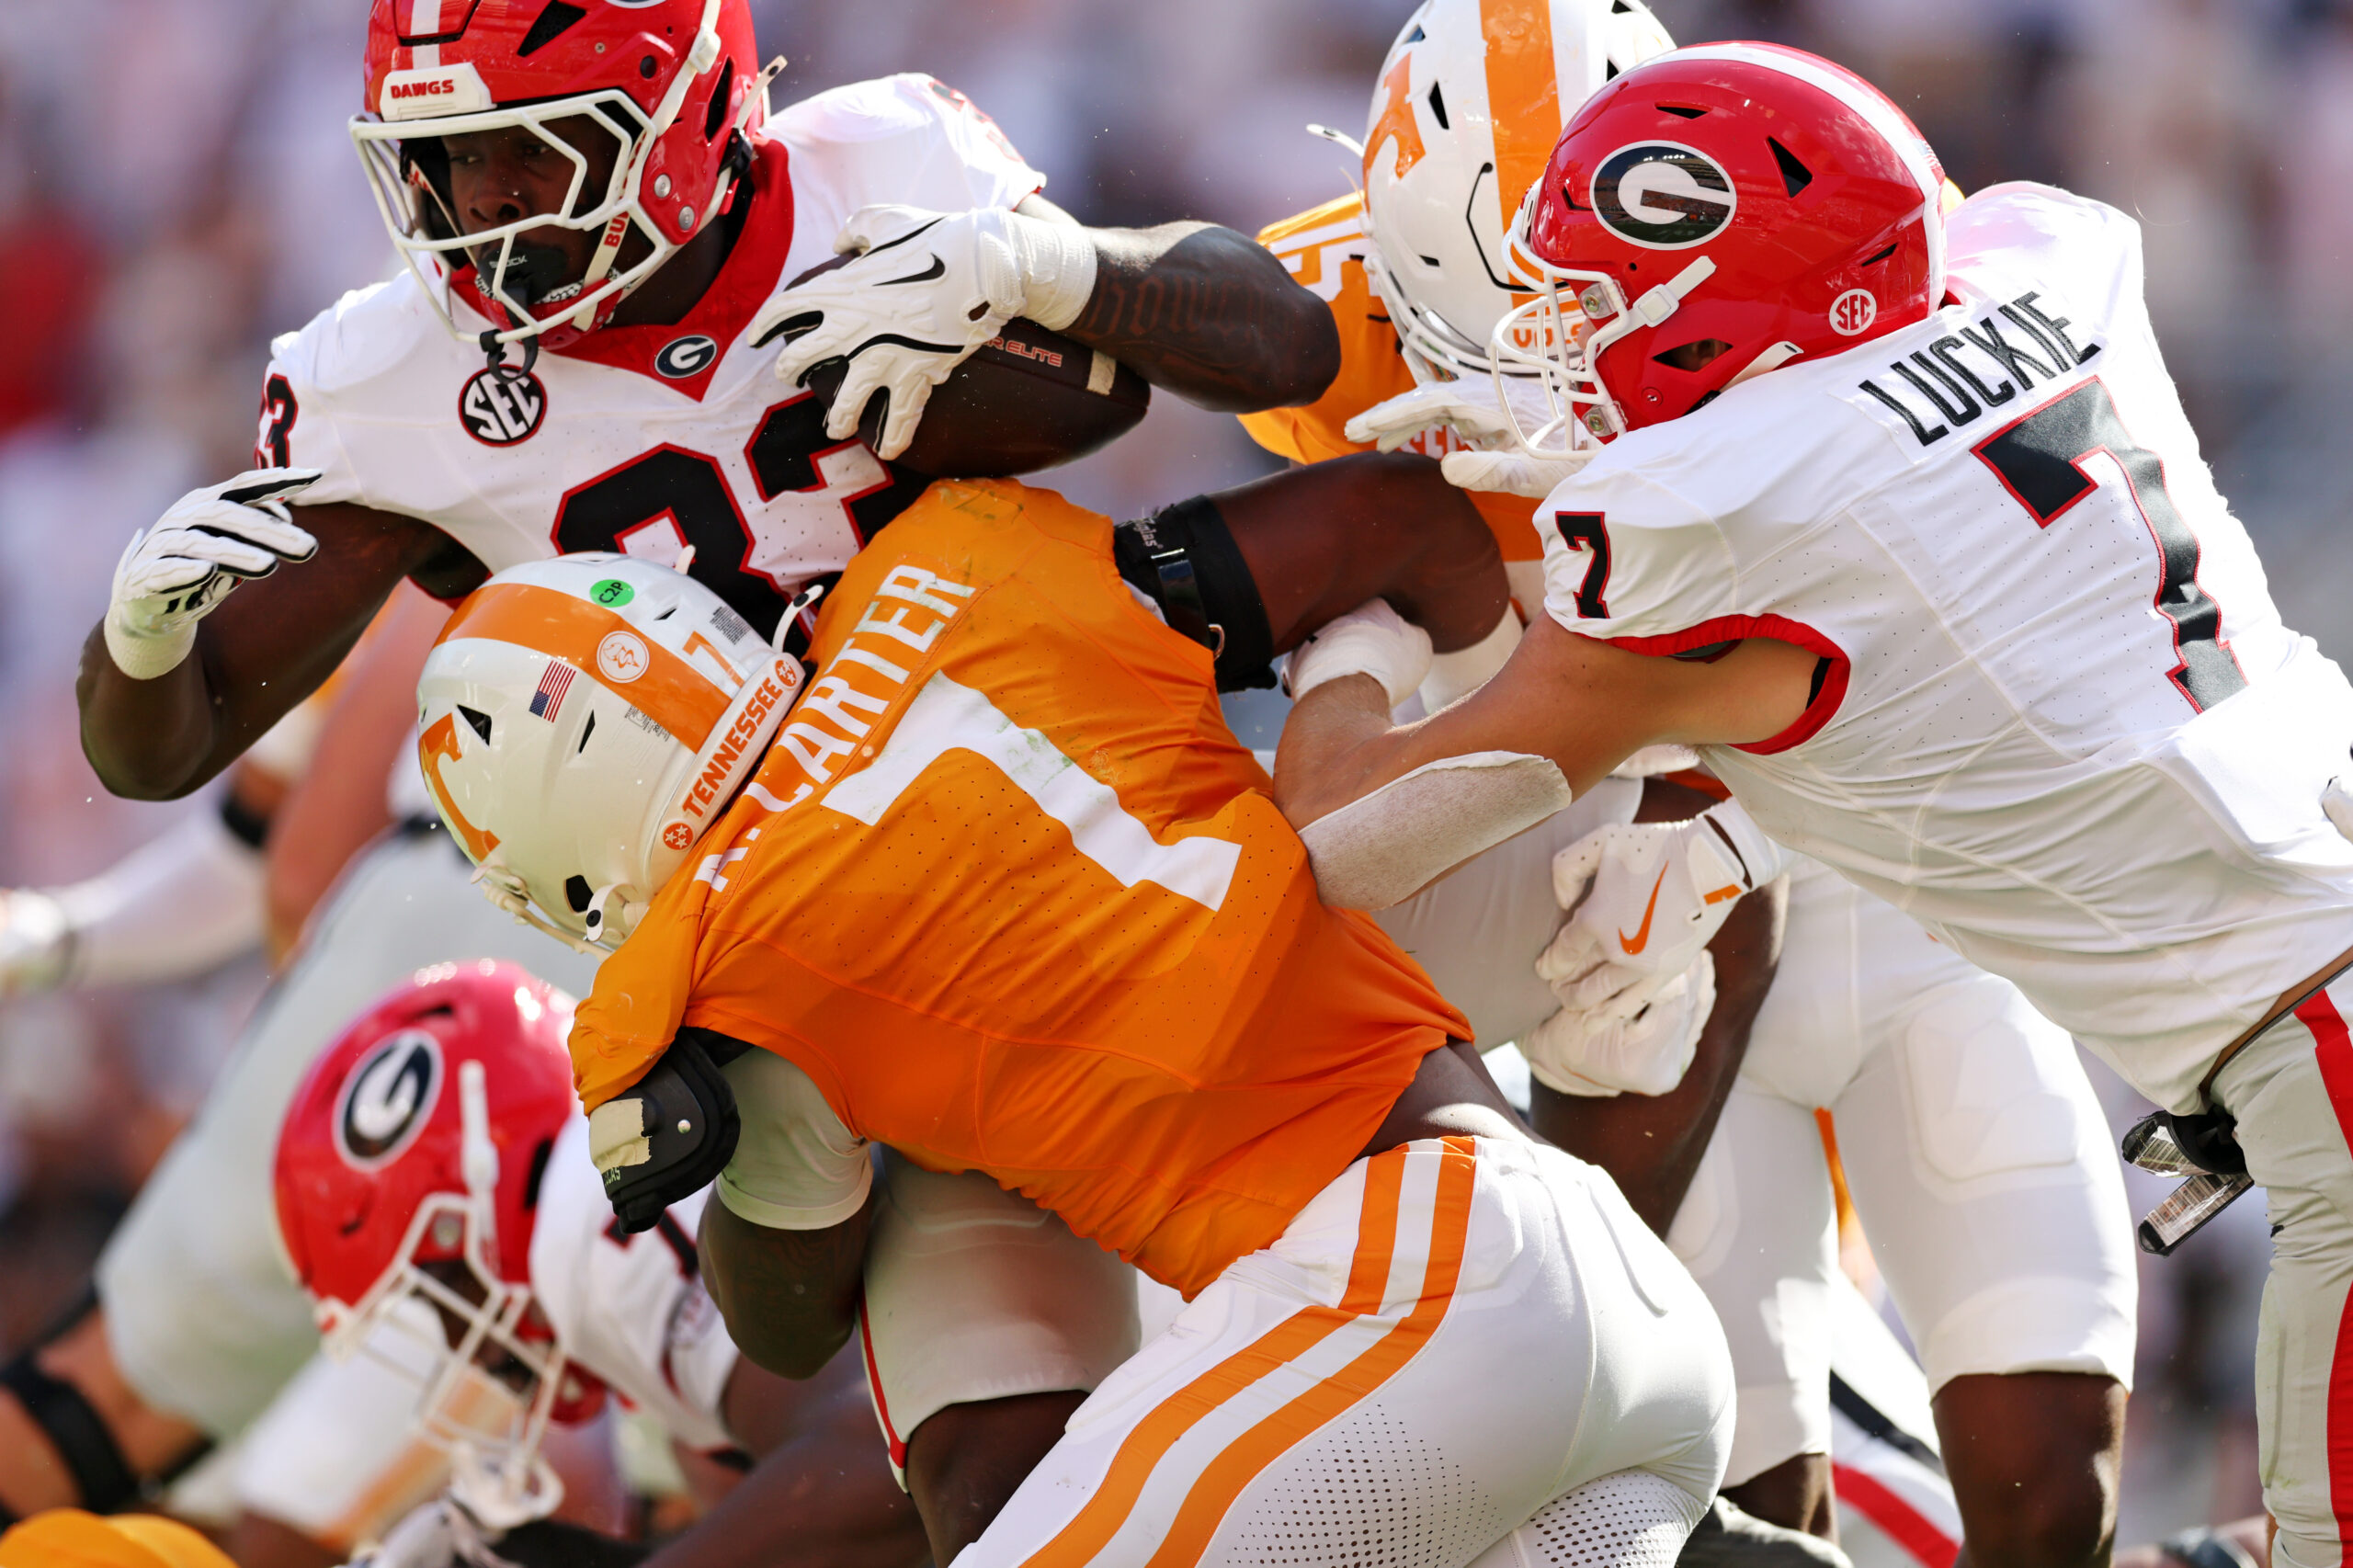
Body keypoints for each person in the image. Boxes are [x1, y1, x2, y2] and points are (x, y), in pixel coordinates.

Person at [40, 0, 1346, 1517]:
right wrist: (136, 644)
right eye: (447, 167)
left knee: (1357, 1295)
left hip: (1068, 839)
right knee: (982, 1485)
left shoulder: (874, 177)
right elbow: (166, 744)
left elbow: (1283, 343)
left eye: (527, 156)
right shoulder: (399, 388)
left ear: (680, 116)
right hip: (812, 1003)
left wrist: (1059, 275)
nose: (483, 213)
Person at [1274, 40, 2353, 1568]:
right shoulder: (2042, 260)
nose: (1564, 354)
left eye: (1596, 313)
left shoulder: (1724, 521)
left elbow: (1336, 836)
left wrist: (1353, 629)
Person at [416, 467, 1735, 1568]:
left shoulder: (717, 971)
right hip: (1604, 1281)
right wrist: (1373, 651)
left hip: (1413, 1300)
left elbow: (788, 1321)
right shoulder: (962, 566)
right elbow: (1393, 510)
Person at [266, 960, 926, 1568]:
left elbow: (888, 1464)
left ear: (480, 1194)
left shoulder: (590, 1223)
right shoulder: (610, 1200)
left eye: (437, 1292)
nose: (458, 1341)